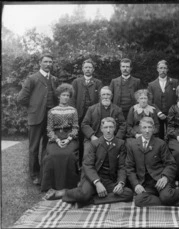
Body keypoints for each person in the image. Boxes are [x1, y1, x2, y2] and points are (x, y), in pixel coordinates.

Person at [44, 117, 134, 207]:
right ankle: (66, 192)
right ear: (101, 129)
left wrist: (120, 183)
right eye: (106, 127)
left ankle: (90, 200)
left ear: (115, 128)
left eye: (111, 127)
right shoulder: (95, 144)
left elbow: (122, 166)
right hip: (93, 178)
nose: (108, 130)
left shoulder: (120, 144)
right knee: (83, 195)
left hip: (109, 180)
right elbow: (88, 165)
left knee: (128, 193)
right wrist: (97, 183)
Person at [126, 117, 179, 210]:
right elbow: (129, 167)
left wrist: (165, 177)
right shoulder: (133, 145)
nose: (147, 131)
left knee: (166, 196)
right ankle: (177, 202)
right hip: (145, 183)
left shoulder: (160, 143)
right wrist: (136, 184)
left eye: (149, 127)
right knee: (139, 200)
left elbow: (171, 164)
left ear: (154, 129)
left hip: (160, 180)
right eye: (144, 128)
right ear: (140, 129)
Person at [17, 53, 58, 185]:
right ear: (40, 63)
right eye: (45, 62)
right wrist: (33, 108)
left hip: (50, 118)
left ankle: (44, 174)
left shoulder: (54, 79)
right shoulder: (32, 78)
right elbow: (21, 99)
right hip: (36, 117)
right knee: (34, 148)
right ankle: (34, 175)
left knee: (48, 146)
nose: (48, 64)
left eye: (50, 62)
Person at [41, 84, 80, 192]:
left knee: (68, 155)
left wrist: (68, 139)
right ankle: (51, 185)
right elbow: (49, 129)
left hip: (70, 138)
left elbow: (75, 127)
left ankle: (69, 185)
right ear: (59, 96)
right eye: (63, 95)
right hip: (55, 137)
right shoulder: (52, 111)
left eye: (68, 95)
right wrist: (57, 140)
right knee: (53, 155)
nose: (66, 97)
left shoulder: (73, 110)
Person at [70, 59, 103, 166]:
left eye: (90, 67)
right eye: (86, 67)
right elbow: (72, 99)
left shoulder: (98, 83)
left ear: (93, 69)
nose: (88, 69)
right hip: (79, 115)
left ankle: (92, 163)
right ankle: (79, 164)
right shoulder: (76, 82)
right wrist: (74, 113)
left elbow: (100, 99)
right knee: (79, 139)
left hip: (92, 116)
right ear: (82, 69)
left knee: (91, 138)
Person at [81, 86, 126, 157]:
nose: (106, 97)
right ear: (100, 96)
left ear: (111, 96)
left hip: (112, 137)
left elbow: (123, 125)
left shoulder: (117, 110)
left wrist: (117, 138)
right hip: (94, 137)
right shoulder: (91, 109)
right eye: (103, 94)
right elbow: (84, 124)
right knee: (88, 155)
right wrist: (92, 136)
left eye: (108, 95)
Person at [148, 60, 179, 140]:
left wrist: (174, 111)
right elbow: (150, 101)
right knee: (159, 135)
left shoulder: (175, 82)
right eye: (161, 68)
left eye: (165, 68)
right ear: (157, 69)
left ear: (167, 70)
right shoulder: (151, 85)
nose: (163, 70)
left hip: (172, 114)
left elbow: (178, 98)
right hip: (157, 114)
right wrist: (158, 112)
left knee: (172, 134)